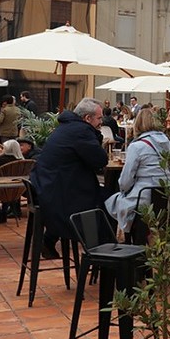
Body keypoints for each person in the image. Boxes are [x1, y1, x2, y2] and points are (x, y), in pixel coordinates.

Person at [30, 98, 109, 258]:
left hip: (47, 186)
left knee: (97, 196)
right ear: (87, 118)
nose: (101, 122)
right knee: (107, 202)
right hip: (59, 192)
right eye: (99, 118)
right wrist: (97, 137)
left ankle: (50, 239)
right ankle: (100, 254)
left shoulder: (66, 126)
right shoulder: (81, 131)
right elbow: (100, 160)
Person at [104, 108, 170, 233]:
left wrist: (124, 191)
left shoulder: (137, 146)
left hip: (143, 199)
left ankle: (118, 238)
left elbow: (125, 182)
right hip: (168, 199)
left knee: (111, 202)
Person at [0, 139, 25, 223]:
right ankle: (4, 211)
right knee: (7, 191)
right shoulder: (22, 161)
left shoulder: (0, 159)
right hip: (15, 190)